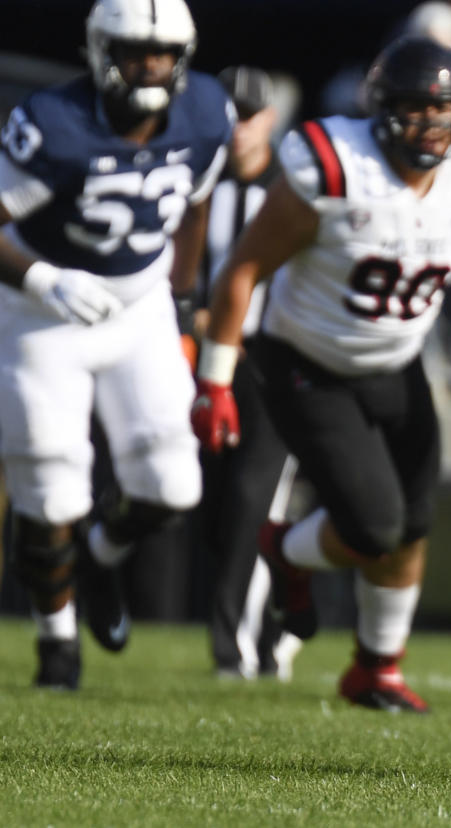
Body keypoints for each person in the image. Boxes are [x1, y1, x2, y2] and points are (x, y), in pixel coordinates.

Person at [191, 36, 451, 713]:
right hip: (306, 359)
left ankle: (376, 667)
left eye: (441, 110)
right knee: (374, 529)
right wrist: (216, 379)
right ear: (380, 110)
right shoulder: (337, 164)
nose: (428, 124)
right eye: (412, 108)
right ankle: (284, 549)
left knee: (413, 523)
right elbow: (244, 269)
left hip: (395, 362)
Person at [0, 0, 230, 689]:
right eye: (135, 50)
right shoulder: (53, 122)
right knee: (50, 487)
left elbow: (195, 204)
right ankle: (57, 646)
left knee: (172, 485)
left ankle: (99, 556)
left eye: (162, 52)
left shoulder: (205, 110)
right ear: (101, 50)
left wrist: (185, 303)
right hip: (39, 315)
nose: (150, 65)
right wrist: (42, 277)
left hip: (140, 308)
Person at [193, 65, 302, 680]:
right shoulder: (196, 185)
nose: (238, 128)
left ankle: (235, 645)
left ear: (270, 118)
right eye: (228, 114)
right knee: (208, 502)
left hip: (271, 358)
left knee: (252, 497)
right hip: (209, 355)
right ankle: (268, 626)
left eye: (250, 113)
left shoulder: (291, 188)